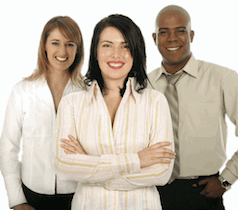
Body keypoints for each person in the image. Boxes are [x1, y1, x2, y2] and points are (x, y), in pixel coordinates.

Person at [148, 5, 238, 210]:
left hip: (202, 193)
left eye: (180, 30)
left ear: (191, 35)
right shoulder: (144, 85)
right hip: (152, 193)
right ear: (154, 38)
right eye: (164, 32)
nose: (172, 38)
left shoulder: (222, 78)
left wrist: (227, 179)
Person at [53, 14, 175, 210]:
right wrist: (138, 159)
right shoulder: (72, 104)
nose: (116, 54)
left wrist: (91, 167)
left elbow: (161, 172)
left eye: (125, 46)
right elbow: (64, 166)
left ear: (136, 52)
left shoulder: (155, 101)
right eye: (107, 45)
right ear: (95, 52)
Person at [0, 16, 84, 210]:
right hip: (32, 197)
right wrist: (17, 201)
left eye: (70, 44)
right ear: (44, 45)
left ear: (77, 49)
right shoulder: (22, 91)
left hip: (79, 197)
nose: (62, 51)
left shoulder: (88, 92)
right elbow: (8, 148)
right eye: (55, 43)